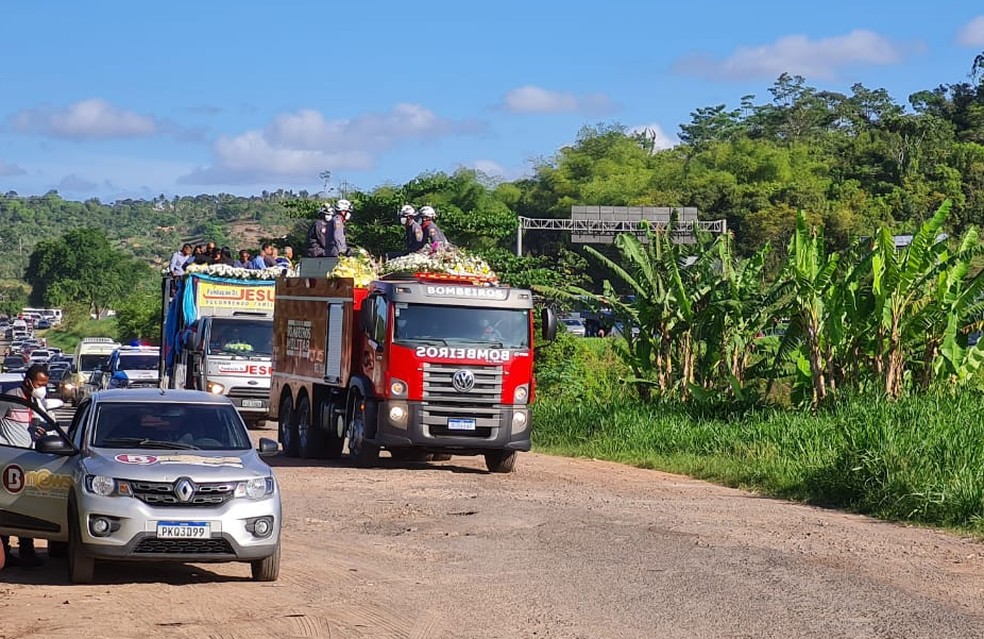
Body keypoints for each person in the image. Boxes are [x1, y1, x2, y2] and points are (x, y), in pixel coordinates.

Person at [0, 364, 51, 568]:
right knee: (7, 506)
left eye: (45, 384)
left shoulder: (37, 401)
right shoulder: (10, 399)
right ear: (29, 381)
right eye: (40, 384)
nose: (42, 388)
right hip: (8, 462)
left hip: (29, 460)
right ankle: (6, 552)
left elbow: (37, 425)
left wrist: (37, 431)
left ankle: (27, 551)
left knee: (26, 506)